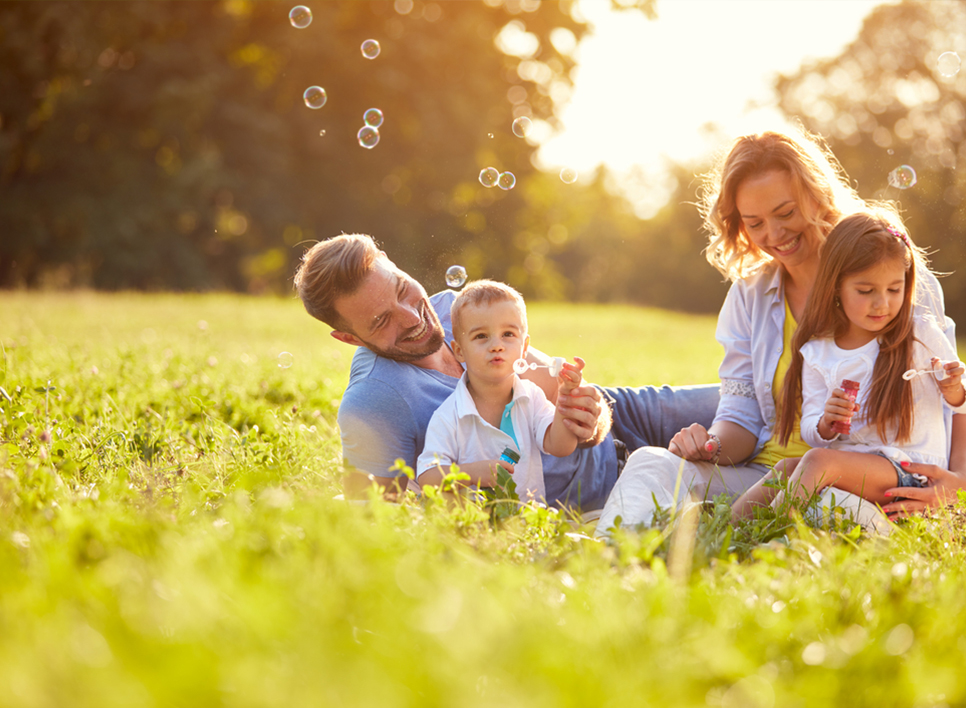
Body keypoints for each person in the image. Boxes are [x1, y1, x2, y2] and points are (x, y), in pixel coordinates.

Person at [595, 127, 964, 535]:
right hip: (766, 477)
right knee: (652, 462)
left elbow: (953, 394)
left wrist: (959, 485)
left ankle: (725, 541)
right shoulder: (750, 296)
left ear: (817, 196)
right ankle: (616, 560)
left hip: (861, 480)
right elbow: (739, 415)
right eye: (755, 223)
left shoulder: (895, 280)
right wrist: (711, 445)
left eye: (785, 213)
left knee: (829, 507)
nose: (773, 235)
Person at [293, 233, 720, 512]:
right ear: (349, 339)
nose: (412, 317)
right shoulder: (374, 400)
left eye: (404, 289)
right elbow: (381, 521)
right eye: (381, 321)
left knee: (753, 401)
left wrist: (590, 417)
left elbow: (557, 386)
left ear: (394, 264)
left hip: (624, 414)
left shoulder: (450, 307)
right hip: (600, 493)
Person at [730, 212, 965, 518]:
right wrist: (826, 422)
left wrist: (954, 389)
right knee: (787, 466)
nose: (882, 303)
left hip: (909, 471)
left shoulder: (919, 334)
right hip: (854, 467)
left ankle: (767, 531)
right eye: (866, 291)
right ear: (836, 287)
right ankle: (728, 526)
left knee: (816, 462)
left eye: (894, 289)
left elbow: (961, 405)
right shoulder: (818, 352)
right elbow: (811, 429)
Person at [417, 280, 584, 499]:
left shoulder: (531, 397)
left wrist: (565, 400)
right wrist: (471, 474)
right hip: (472, 524)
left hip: (527, 523)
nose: (497, 345)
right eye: (481, 336)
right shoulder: (450, 415)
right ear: (459, 351)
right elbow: (427, 476)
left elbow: (561, 446)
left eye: (508, 334)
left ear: (524, 348)